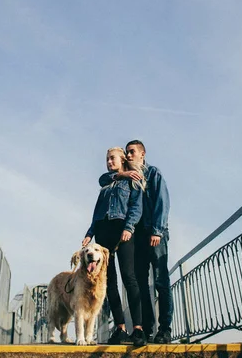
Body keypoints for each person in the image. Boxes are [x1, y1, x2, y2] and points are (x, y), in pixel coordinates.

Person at [99, 140, 172, 344]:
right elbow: (103, 179)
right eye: (127, 153)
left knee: (160, 280)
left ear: (143, 154)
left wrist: (157, 231)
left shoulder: (153, 173)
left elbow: (162, 203)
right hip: (138, 237)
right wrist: (121, 174)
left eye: (132, 152)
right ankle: (147, 328)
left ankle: (165, 328)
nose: (129, 156)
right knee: (141, 282)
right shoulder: (126, 177)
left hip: (155, 233)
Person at [82, 147, 147, 346]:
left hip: (122, 230)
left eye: (113, 159)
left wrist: (129, 227)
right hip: (103, 233)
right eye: (107, 159)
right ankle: (120, 327)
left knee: (129, 277)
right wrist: (90, 232)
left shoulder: (133, 180)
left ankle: (138, 329)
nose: (109, 162)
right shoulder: (107, 184)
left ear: (122, 160)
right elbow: (97, 211)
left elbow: (136, 206)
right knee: (109, 280)